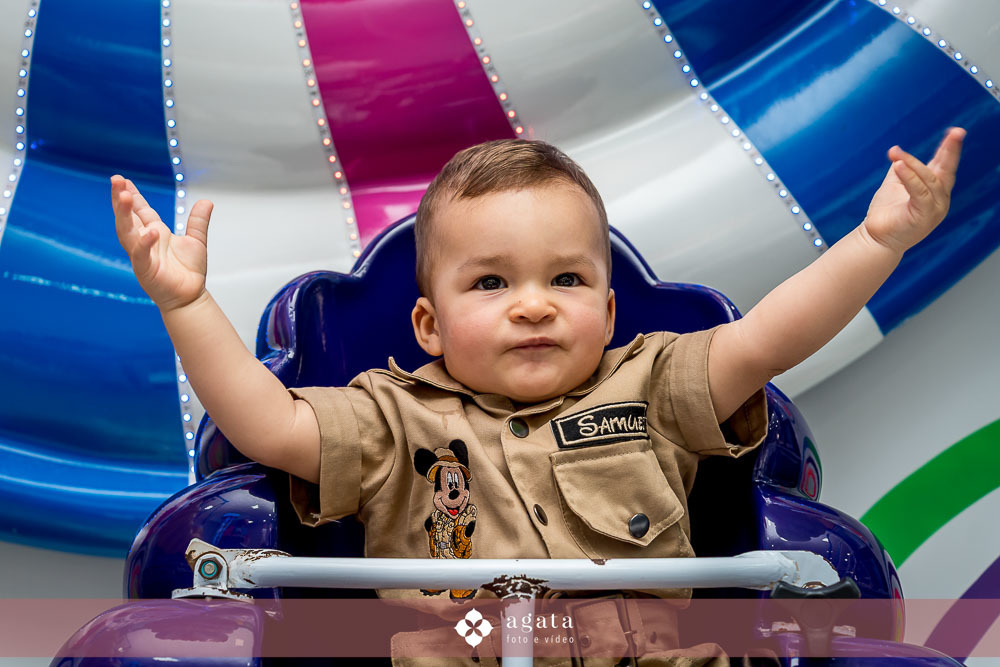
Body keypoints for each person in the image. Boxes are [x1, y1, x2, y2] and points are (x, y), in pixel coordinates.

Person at [111, 128, 965, 666]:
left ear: (608, 308)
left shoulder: (657, 384)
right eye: (489, 282)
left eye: (566, 277)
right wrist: (185, 303)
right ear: (429, 323)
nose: (533, 302)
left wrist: (876, 241)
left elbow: (773, 335)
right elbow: (262, 421)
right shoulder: (386, 417)